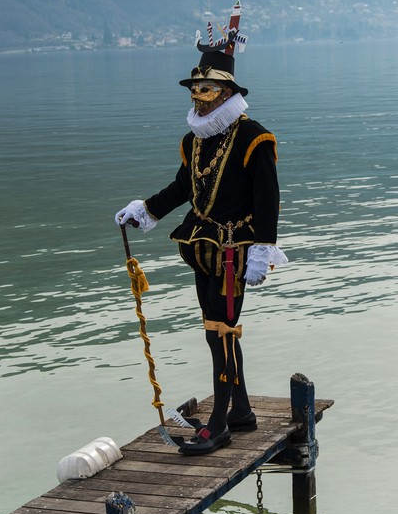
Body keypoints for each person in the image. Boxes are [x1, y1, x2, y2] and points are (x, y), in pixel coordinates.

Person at [115, 43, 287, 456]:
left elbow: (269, 197)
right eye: (195, 89)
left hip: (237, 250)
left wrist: (264, 248)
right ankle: (240, 411)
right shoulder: (195, 141)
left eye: (207, 89)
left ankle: (218, 424)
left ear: (226, 94)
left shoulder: (253, 137)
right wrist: (146, 209)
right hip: (203, 244)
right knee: (215, 332)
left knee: (222, 331)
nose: (199, 97)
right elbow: (183, 188)